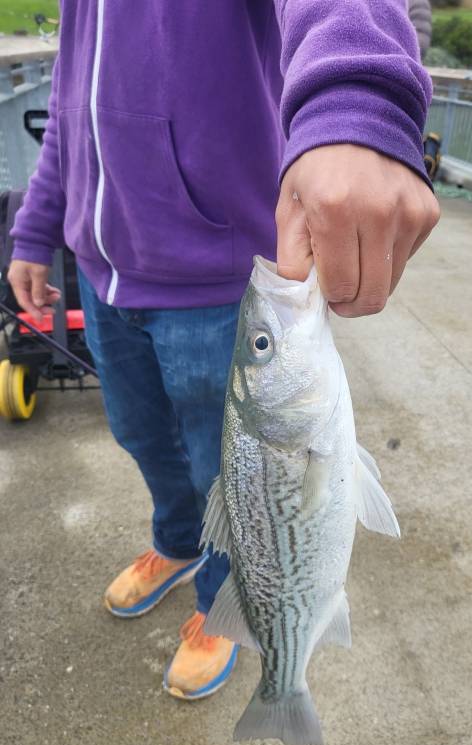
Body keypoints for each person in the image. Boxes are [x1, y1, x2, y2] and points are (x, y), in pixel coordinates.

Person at [8, 2, 439, 700]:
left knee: (232, 474)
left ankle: (223, 602)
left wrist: (357, 102)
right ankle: (178, 542)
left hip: (214, 279)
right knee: (142, 436)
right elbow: (69, 103)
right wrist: (35, 231)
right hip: (101, 271)